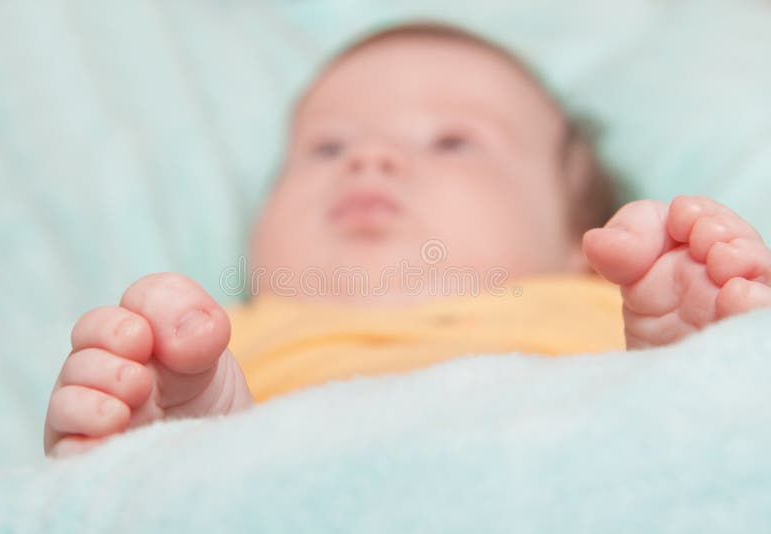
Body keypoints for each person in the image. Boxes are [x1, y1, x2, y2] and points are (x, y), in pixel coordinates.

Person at [43, 23, 771, 457]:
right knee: (176, 407)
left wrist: (668, 349)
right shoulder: (216, 340)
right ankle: (188, 447)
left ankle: (681, 371)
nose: (371, 158)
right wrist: (170, 396)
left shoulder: (593, 307)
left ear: (579, 248)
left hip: (580, 447)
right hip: (280, 459)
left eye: (452, 141)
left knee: (693, 425)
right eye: (326, 149)